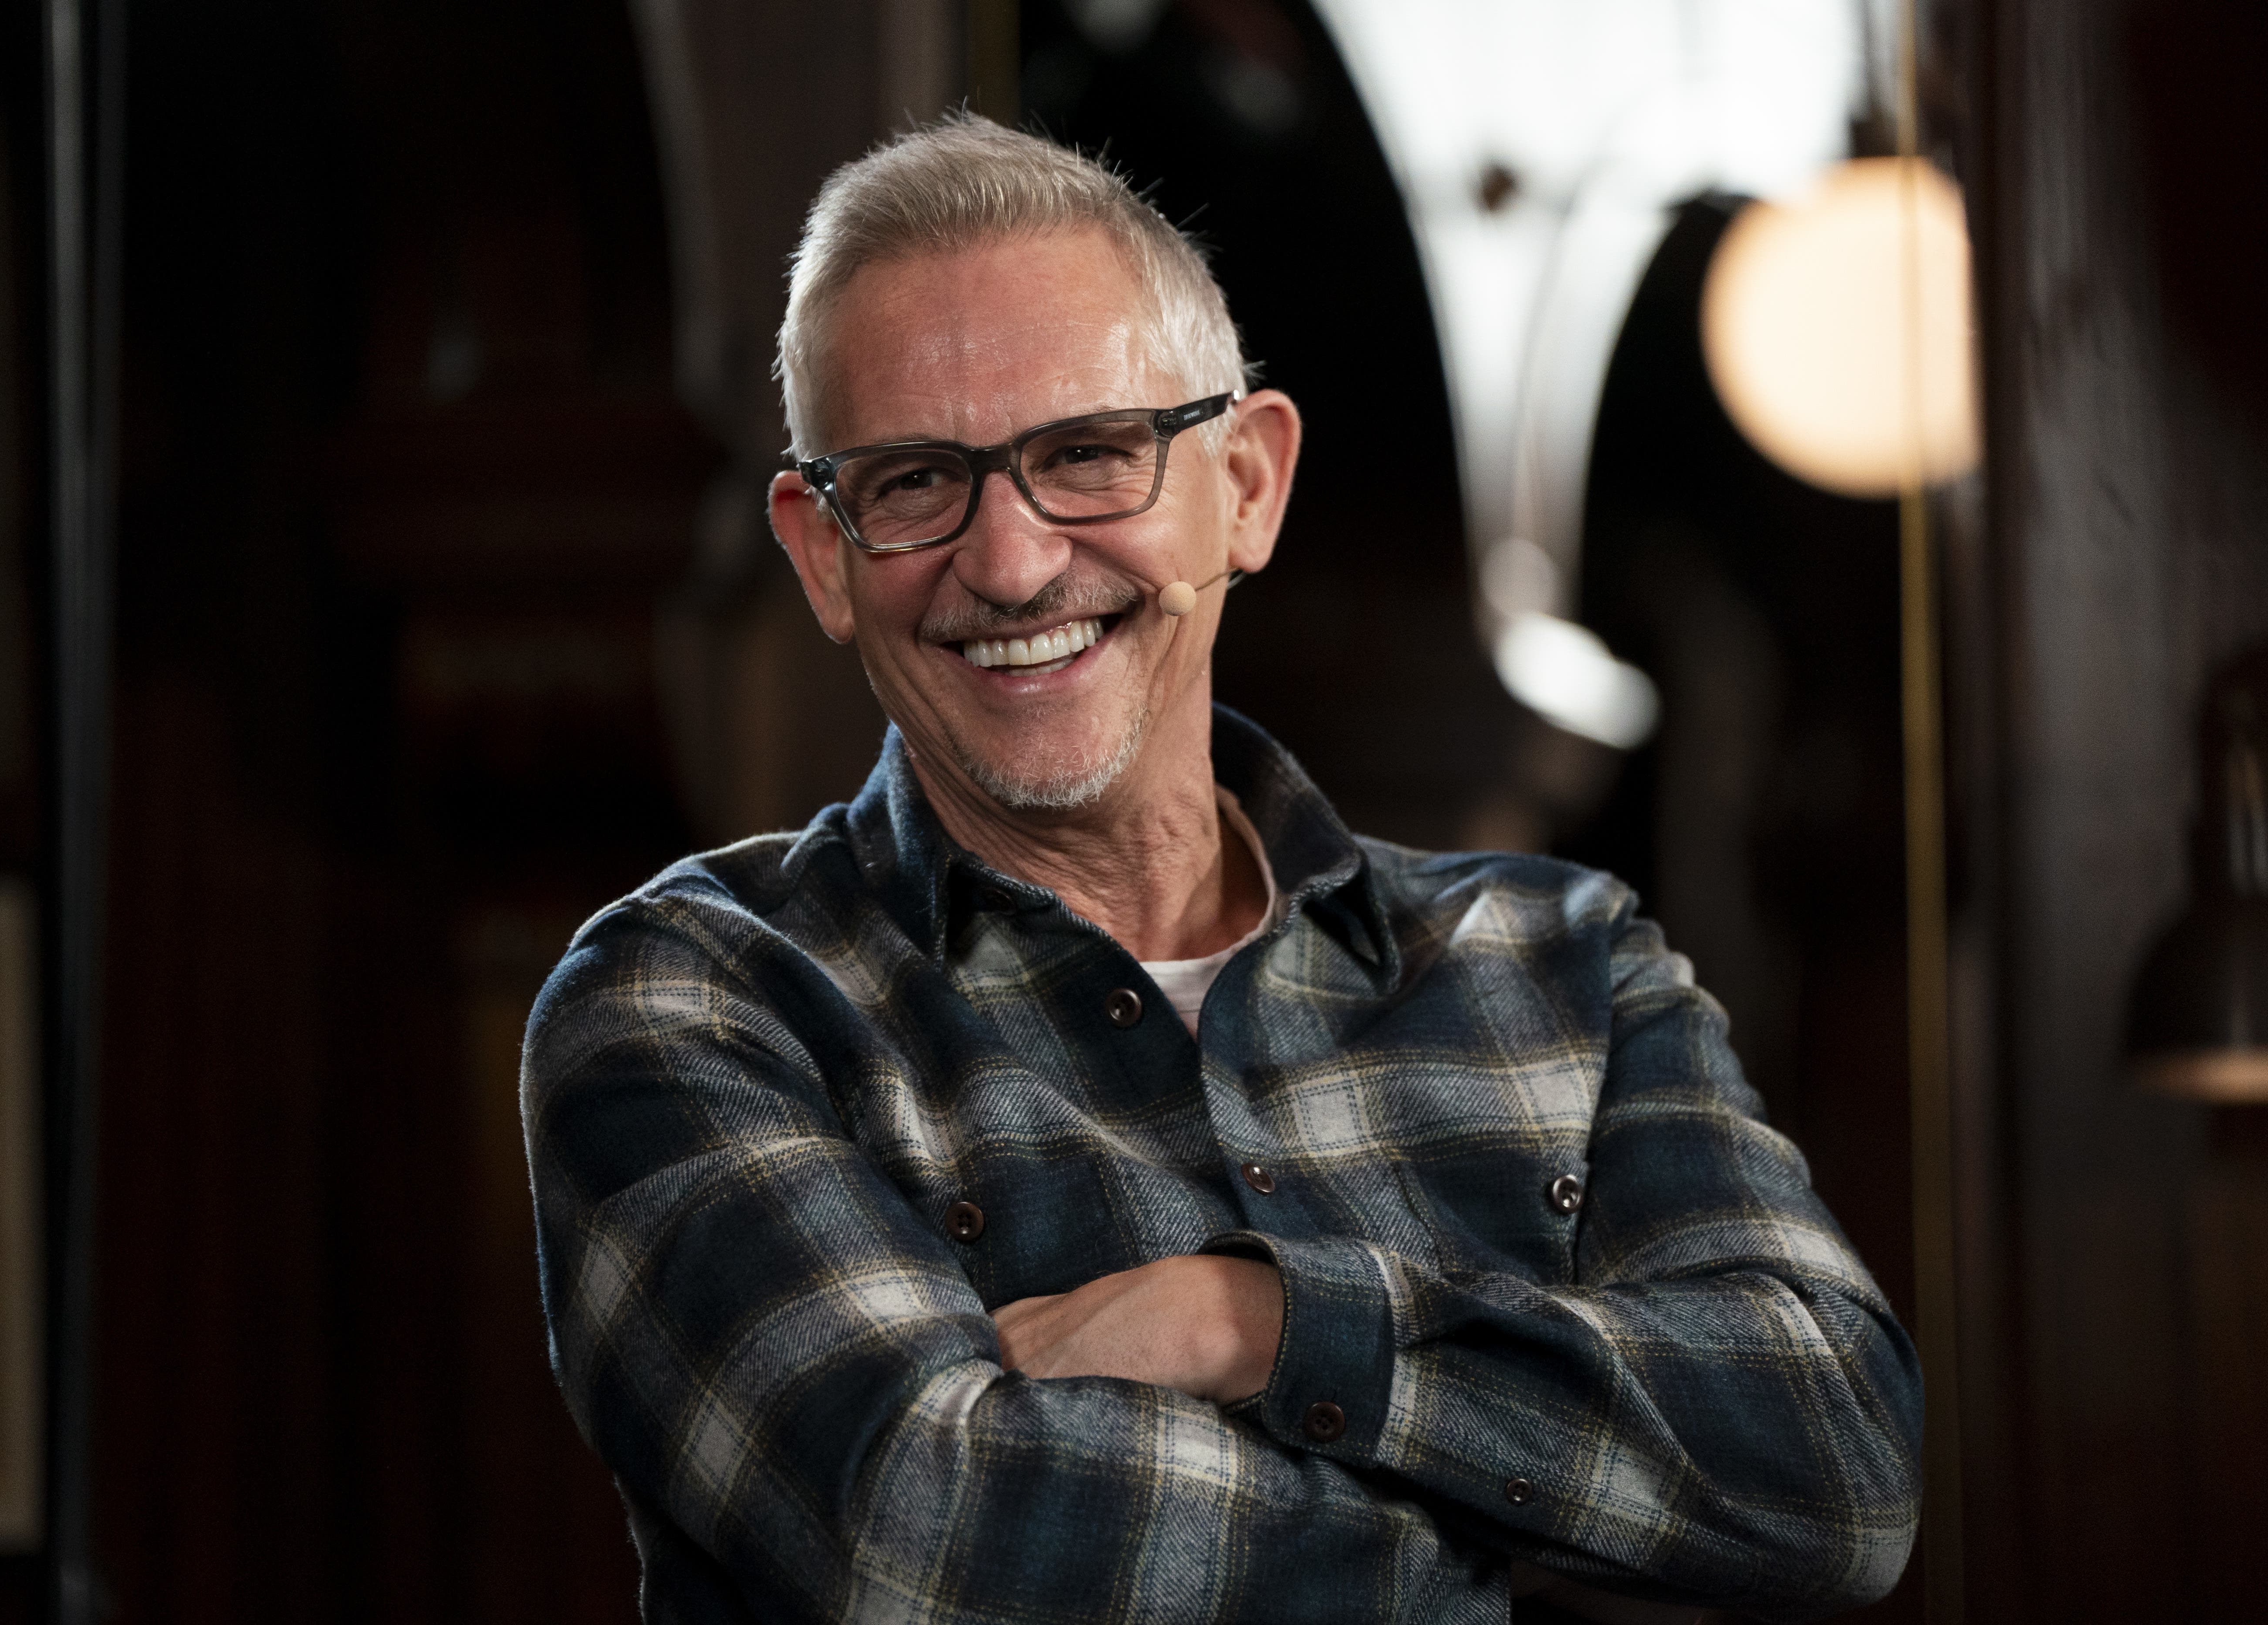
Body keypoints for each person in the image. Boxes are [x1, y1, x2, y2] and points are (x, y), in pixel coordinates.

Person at [522, 115, 1921, 1624]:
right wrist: (1532, 1523)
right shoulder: (695, 998)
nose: (1007, 563)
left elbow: (1835, 1468)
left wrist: (1258, 1322)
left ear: (1245, 483)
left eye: (1086, 455)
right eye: (918, 482)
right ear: (819, 550)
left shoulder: (1562, 958)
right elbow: (928, 1538)